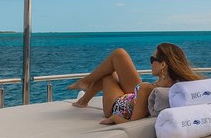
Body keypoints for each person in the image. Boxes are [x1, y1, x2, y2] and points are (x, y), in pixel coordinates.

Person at [68, 43, 203, 125]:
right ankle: (84, 89)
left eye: (152, 59)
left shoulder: (147, 88)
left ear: (162, 64)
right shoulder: (174, 86)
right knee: (119, 55)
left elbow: (133, 124)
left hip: (117, 106)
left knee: (108, 75)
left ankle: (84, 88)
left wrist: (114, 118)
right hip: (132, 97)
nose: (151, 63)